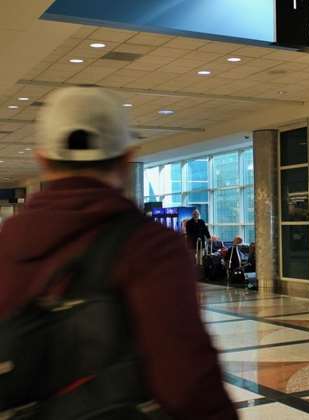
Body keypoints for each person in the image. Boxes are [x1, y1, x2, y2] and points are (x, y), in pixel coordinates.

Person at [0, 87, 236, 419]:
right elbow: (191, 386)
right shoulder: (151, 249)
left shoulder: (6, 244)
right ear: (127, 159)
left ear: (41, 159)